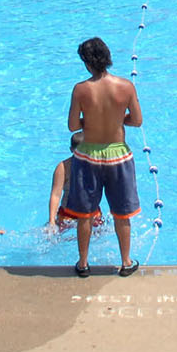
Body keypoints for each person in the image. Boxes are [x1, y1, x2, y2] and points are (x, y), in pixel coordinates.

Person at [61, 36, 145, 277]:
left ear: (87, 63)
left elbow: (72, 125)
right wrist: (118, 119)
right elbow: (137, 121)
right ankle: (126, 261)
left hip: (88, 155)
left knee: (85, 213)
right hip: (118, 154)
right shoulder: (126, 86)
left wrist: (90, 121)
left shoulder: (81, 89)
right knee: (122, 212)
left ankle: (83, 263)